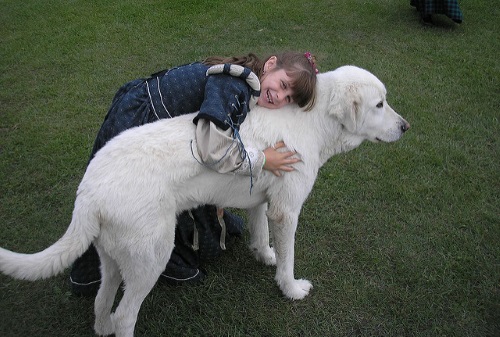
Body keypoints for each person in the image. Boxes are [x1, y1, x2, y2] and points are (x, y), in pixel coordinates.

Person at [70, 51, 319, 296]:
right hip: (142, 127)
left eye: (288, 98)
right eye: (283, 84)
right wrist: (262, 159)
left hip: (162, 126)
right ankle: (106, 269)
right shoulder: (236, 85)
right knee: (122, 201)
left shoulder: (249, 80)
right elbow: (212, 149)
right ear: (271, 64)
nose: (280, 96)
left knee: (193, 188)